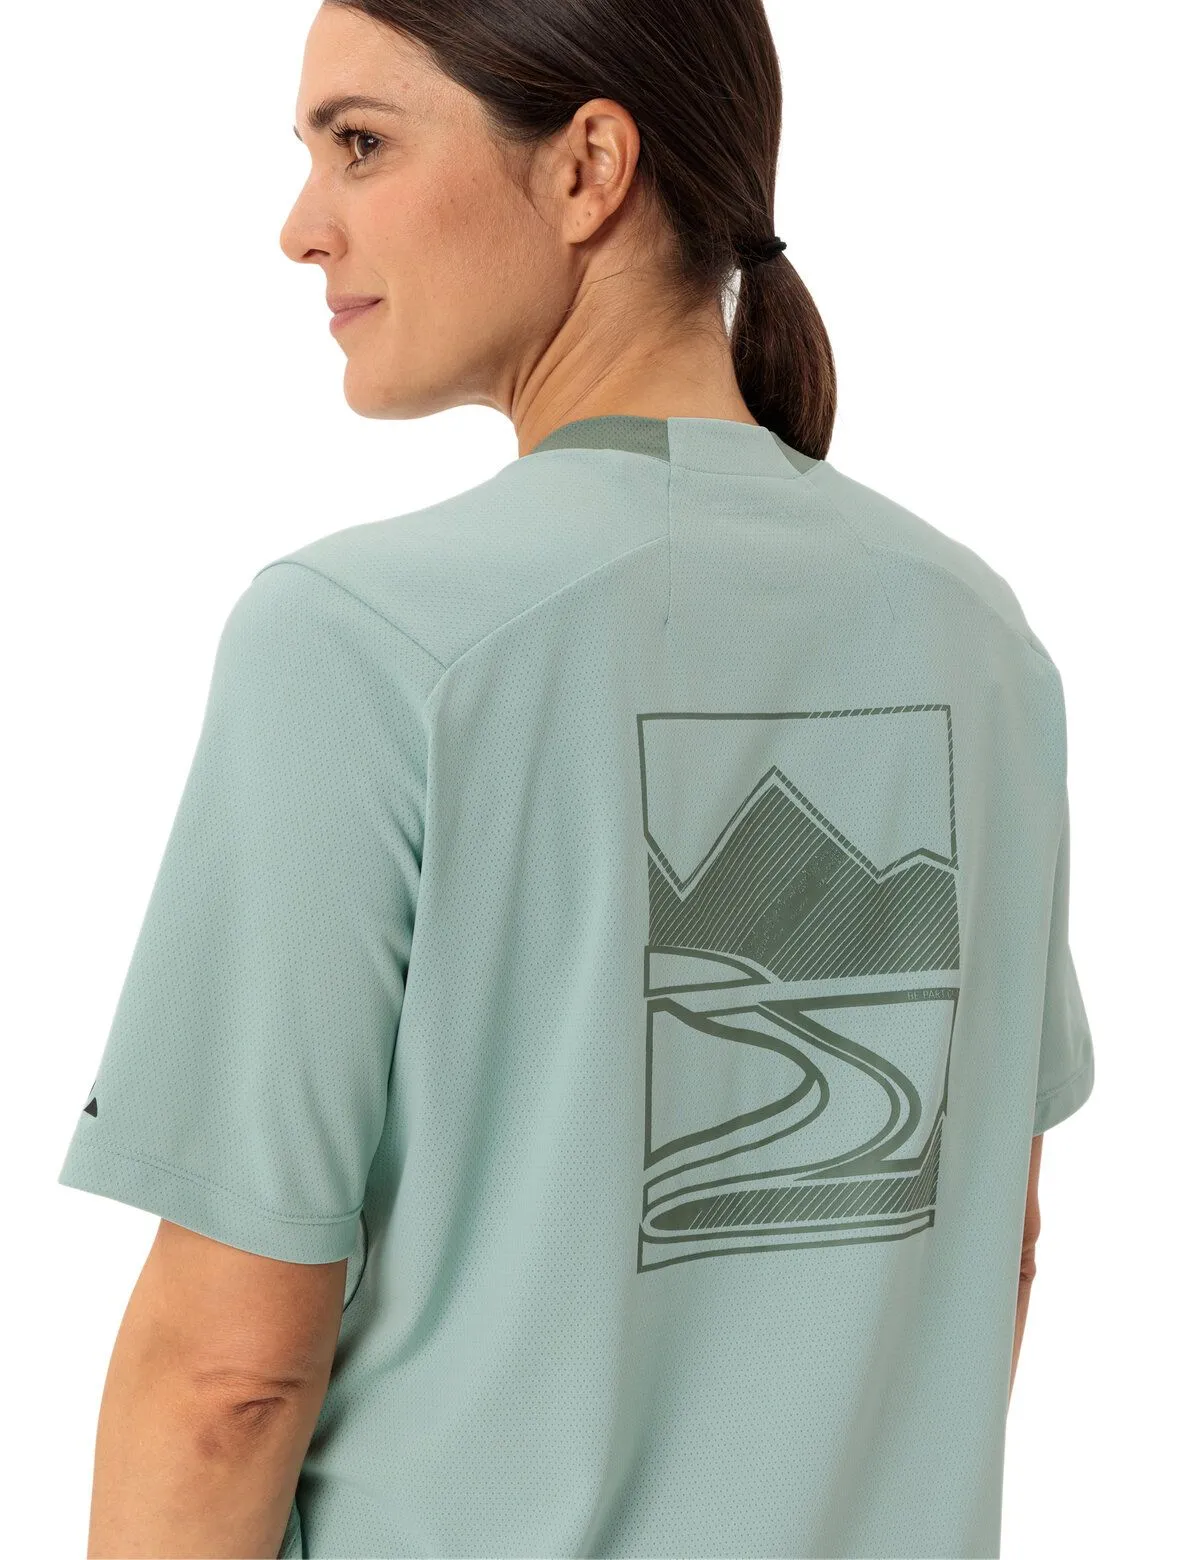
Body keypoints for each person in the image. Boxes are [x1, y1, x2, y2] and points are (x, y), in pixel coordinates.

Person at [56, 2, 1094, 1556]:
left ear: (588, 167)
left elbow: (226, 1379)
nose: (301, 225)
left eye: (361, 144)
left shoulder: (359, 643)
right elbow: (987, 1249)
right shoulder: (979, 641)